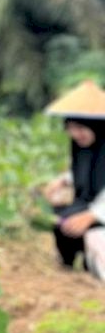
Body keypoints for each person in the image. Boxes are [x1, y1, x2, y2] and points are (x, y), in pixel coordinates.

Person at [43, 80, 105, 271]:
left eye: (80, 128)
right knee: (61, 219)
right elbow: (85, 169)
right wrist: (62, 180)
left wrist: (92, 215)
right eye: (71, 128)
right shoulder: (84, 148)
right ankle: (71, 265)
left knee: (85, 228)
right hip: (92, 204)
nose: (75, 134)